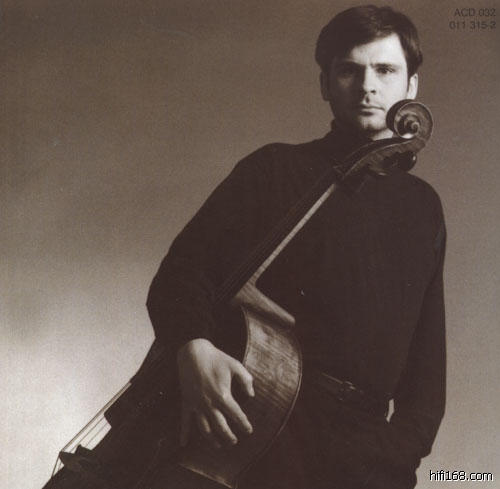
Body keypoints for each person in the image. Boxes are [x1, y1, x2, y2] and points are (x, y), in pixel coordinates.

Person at [146, 5, 446, 489]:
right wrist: (192, 348)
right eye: (349, 70)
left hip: (362, 457)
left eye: (385, 70)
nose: (367, 86)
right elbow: (182, 272)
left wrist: (398, 456)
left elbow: (426, 368)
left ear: (411, 85)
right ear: (325, 83)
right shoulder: (273, 169)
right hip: (254, 425)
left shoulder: (423, 207)